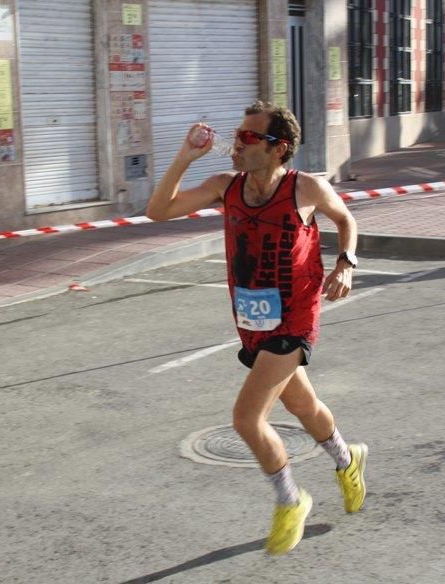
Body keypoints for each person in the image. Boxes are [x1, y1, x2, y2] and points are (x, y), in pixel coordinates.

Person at [146, 101, 367, 555]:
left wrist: (345, 263)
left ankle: (291, 499)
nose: (237, 143)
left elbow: (346, 220)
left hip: (295, 316)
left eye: (249, 137)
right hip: (251, 318)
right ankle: (347, 460)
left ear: (277, 148)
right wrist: (186, 157)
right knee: (305, 407)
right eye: (238, 134)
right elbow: (157, 211)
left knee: (246, 419)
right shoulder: (223, 186)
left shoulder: (305, 188)